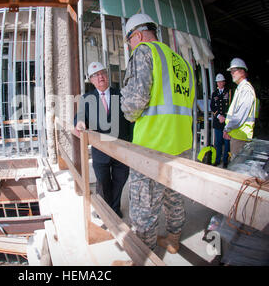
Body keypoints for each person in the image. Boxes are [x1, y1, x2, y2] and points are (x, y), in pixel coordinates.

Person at [120, 14, 195, 253]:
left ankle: (144, 256)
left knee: (143, 209)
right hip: (181, 145)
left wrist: (127, 114)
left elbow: (133, 104)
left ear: (138, 35)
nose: (130, 46)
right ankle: (173, 239)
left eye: (129, 41)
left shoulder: (144, 51)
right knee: (174, 198)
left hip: (152, 147)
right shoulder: (181, 62)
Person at [74, 61, 132, 218]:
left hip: (121, 148)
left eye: (102, 73)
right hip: (100, 151)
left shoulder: (121, 95)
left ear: (107, 75)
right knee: (104, 182)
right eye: (95, 75)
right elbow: (79, 117)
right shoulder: (87, 99)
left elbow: (130, 120)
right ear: (91, 80)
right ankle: (110, 212)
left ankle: (111, 209)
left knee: (120, 180)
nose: (100, 77)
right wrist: (79, 123)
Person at [223, 58, 256, 159]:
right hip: (237, 135)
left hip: (241, 137)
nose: (232, 73)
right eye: (231, 71)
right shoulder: (240, 89)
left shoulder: (245, 90)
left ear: (242, 71)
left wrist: (227, 129)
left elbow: (238, 117)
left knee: (238, 169)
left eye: (234, 71)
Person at [210, 73, 231, 168]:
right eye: (217, 82)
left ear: (224, 82)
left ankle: (225, 160)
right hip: (218, 121)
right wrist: (219, 116)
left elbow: (231, 106)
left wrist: (226, 118)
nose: (219, 83)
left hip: (227, 122)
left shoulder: (229, 92)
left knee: (227, 142)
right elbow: (212, 106)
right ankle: (218, 160)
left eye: (221, 81)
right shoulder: (214, 93)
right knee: (218, 142)